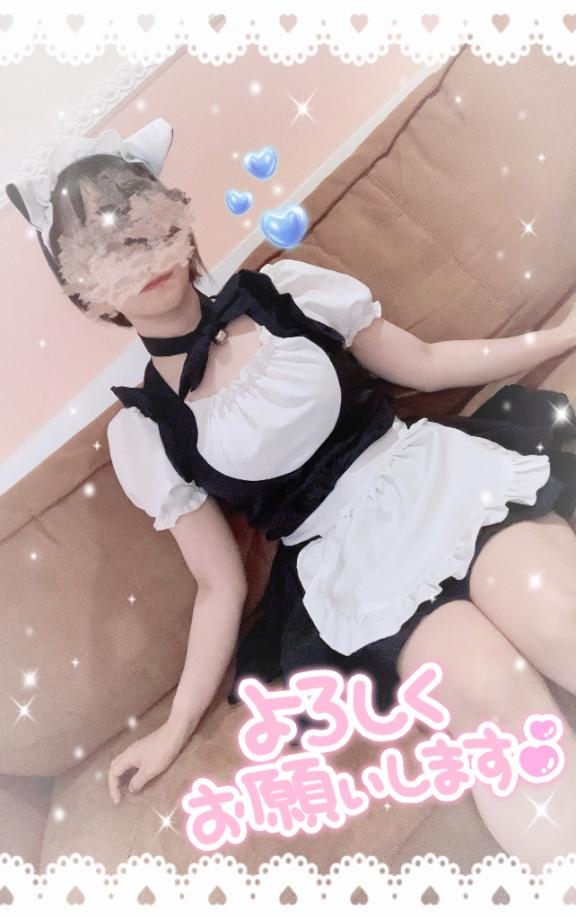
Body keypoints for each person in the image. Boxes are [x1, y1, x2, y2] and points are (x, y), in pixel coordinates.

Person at [7, 117, 576, 870]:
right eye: (103, 248)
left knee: (556, 611)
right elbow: (219, 584)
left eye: (138, 218)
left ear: (173, 215)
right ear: (83, 291)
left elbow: (426, 362)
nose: (136, 255)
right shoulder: (143, 432)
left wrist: (557, 338)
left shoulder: (290, 291)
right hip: (354, 565)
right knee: (489, 695)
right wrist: (175, 728)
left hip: (430, 473)